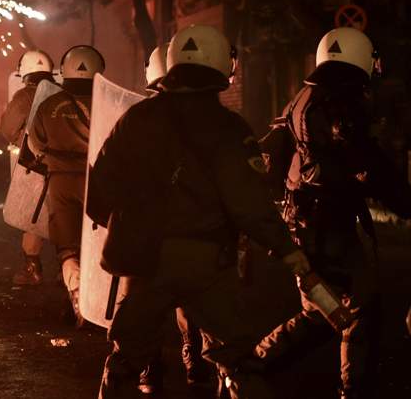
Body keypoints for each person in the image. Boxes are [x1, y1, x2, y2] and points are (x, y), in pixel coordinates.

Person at [87, 25, 310, 399]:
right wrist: (287, 249)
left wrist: (127, 226)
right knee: (238, 361)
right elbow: (250, 205)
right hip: (206, 262)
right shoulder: (229, 129)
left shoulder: (135, 120)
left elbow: (101, 188)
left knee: (125, 359)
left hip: (145, 260)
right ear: (223, 67)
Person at [255, 28, 411, 399]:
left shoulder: (301, 99)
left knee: (323, 312)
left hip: (302, 225)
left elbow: (275, 159)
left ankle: (253, 363)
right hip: (329, 228)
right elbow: (368, 159)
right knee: (359, 307)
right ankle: (352, 391)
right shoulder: (341, 102)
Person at [137, 43, 214, 393]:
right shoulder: (210, 119)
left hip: (150, 230)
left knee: (146, 304)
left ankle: (149, 370)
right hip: (193, 228)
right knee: (189, 296)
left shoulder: (134, 119)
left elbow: (107, 176)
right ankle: (195, 357)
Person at [27, 44, 104, 323]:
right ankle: (101, 302)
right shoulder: (108, 105)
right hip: (97, 181)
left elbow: (35, 143)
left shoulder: (48, 105)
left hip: (60, 183)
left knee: (67, 246)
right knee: (100, 243)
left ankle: (77, 299)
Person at [0, 49, 55, 285]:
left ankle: (33, 269)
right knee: (67, 218)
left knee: (34, 218)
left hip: (37, 167)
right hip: (68, 168)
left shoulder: (25, 95)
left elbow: (8, 128)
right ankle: (71, 274)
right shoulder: (62, 92)